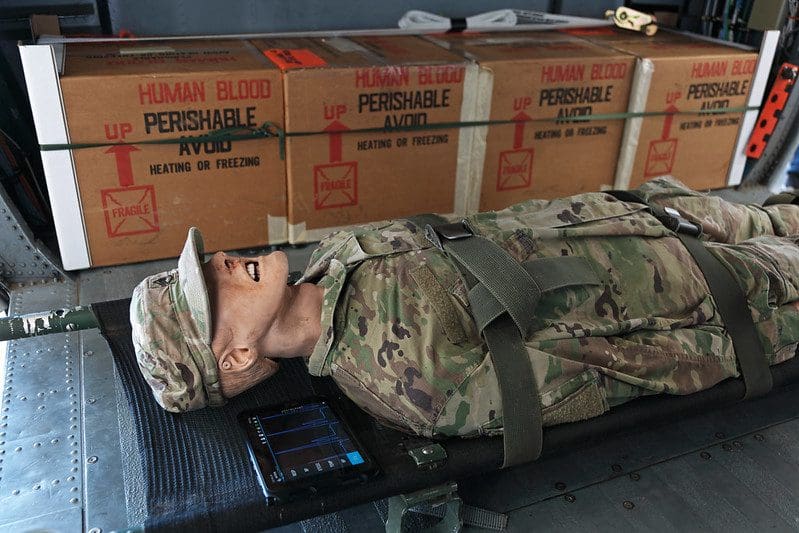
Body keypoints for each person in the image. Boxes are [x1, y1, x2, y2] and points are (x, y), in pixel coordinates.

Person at [130, 176, 799, 441]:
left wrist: (636, 204)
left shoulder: (337, 254)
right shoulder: (410, 383)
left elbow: (499, 226)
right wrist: (757, 337)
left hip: (652, 218)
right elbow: (614, 369)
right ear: (236, 355)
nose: (223, 261)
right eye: (212, 291)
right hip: (710, 291)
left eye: (209, 262)